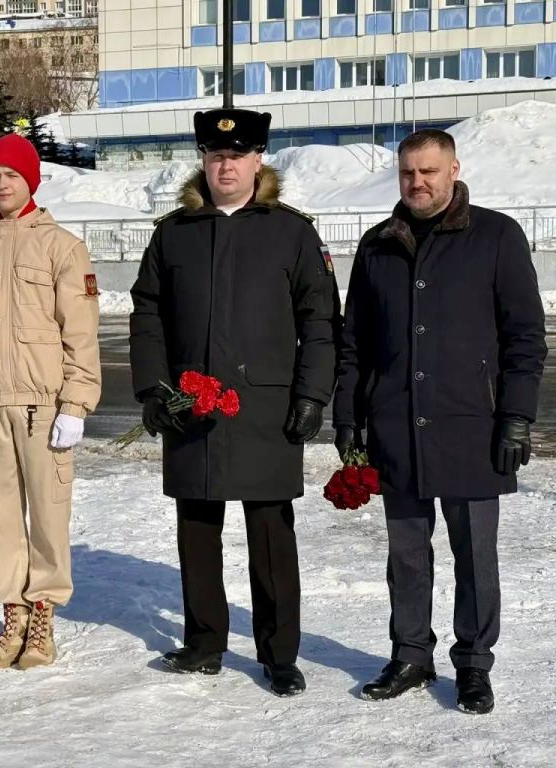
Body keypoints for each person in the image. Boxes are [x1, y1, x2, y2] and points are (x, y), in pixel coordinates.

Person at [334, 129, 546, 715]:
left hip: (473, 427)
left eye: (429, 171)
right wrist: (348, 415)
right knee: (405, 554)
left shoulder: (496, 236)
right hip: (396, 427)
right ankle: (410, 655)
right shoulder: (379, 245)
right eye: (408, 173)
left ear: (454, 170)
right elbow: (354, 342)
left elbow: (525, 337)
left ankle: (474, 665)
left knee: (475, 554)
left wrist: (516, 417)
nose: (417, 182)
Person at [129, 109, 338, 695]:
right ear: (204, 159)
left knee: (271, 534)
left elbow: (320, 319)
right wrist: (152, 389)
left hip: (266, 409)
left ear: (258, 160)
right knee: (196, 529)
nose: (226, 164)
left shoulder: (291, 232)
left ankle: (279, 654)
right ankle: (204, 643)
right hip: (189, 408)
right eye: (216, 154)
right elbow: (148, 312)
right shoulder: (175, 233)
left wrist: (313, 394)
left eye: (238, 154)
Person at [0, 133, 101, 671]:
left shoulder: (61, 247)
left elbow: (80, 332)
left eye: (11, 175)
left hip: (44, 407)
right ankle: (11, 616)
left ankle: (42, 617)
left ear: (31, 180)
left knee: (49, 515)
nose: (1, 183)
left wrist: (76, 403)